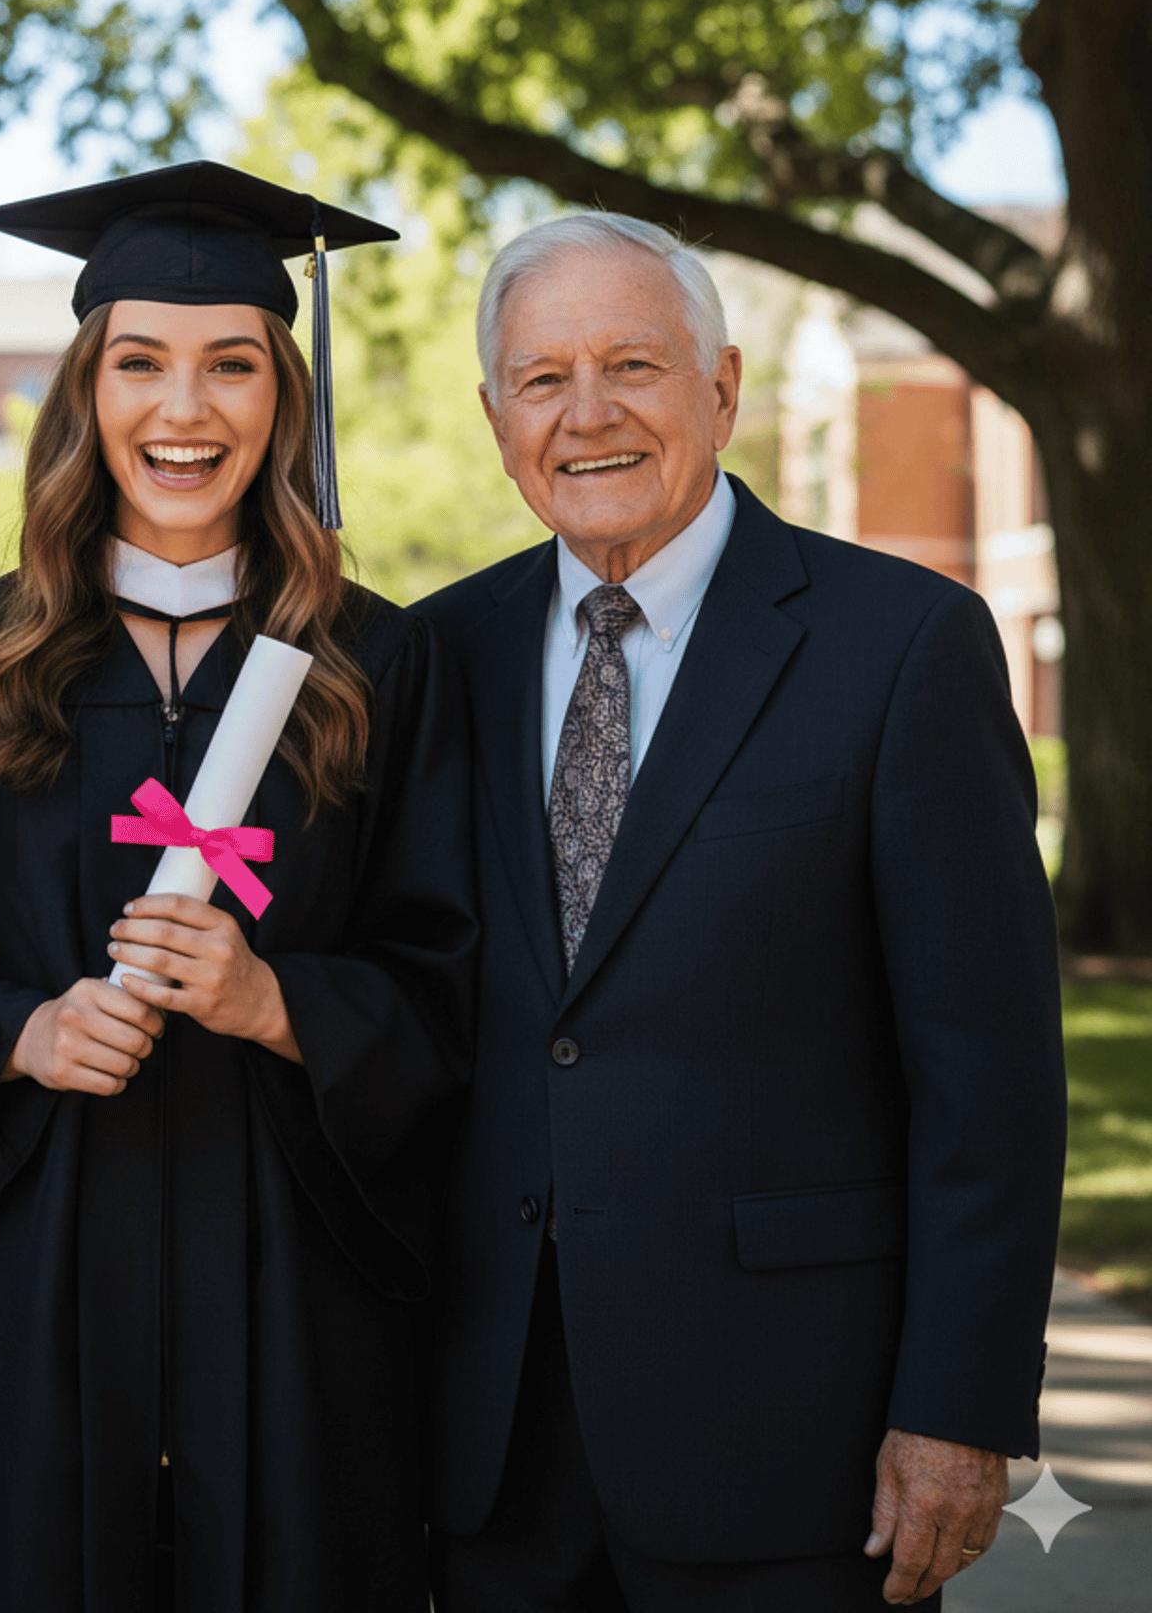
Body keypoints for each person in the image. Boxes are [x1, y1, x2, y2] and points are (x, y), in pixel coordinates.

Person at [414, 212, 1066, 1611]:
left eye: (633, 364)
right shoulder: (431, 657)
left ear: (723, 384)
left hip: (796, 1435)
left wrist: (960, 1405)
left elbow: (990, 1072)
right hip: (496, 1444)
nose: (587, 414)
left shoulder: (900, 646)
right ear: (494, 415)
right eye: (541, 380)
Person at [0, 161, 478, 1613]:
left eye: (233, 366)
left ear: (285, 399)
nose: (184, 410)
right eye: (139, 362)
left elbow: (455, 988)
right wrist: (17, 1033)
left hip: (297, 1296)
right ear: (86, 392)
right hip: (36, 1276)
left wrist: (279, 1003)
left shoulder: (383, 667)